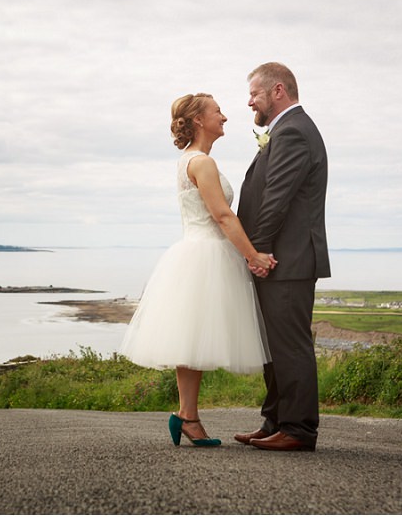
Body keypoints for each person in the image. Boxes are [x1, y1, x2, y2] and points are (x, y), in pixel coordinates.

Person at [120, 93, 275, 447]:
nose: (225, 117)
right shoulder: (202, 163)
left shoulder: (187, 160)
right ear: (198, 120)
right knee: (193, 339)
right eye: (217, 111)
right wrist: (253, 256)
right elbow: (222, 217)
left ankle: (187, 415)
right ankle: (187, 416)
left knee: (192, 340)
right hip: (206, 253)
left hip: (194, 252)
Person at [234, 62, 331, 452]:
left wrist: (258, 250)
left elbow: (277, 198)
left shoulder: (293, 131)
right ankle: (274, 420)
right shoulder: (287, 130)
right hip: (281, 258)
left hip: (286, 259)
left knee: (290, 345)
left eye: (254, 93)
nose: (249, 101)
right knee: (274, 346)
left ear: (277, 91)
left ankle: (299, 429)